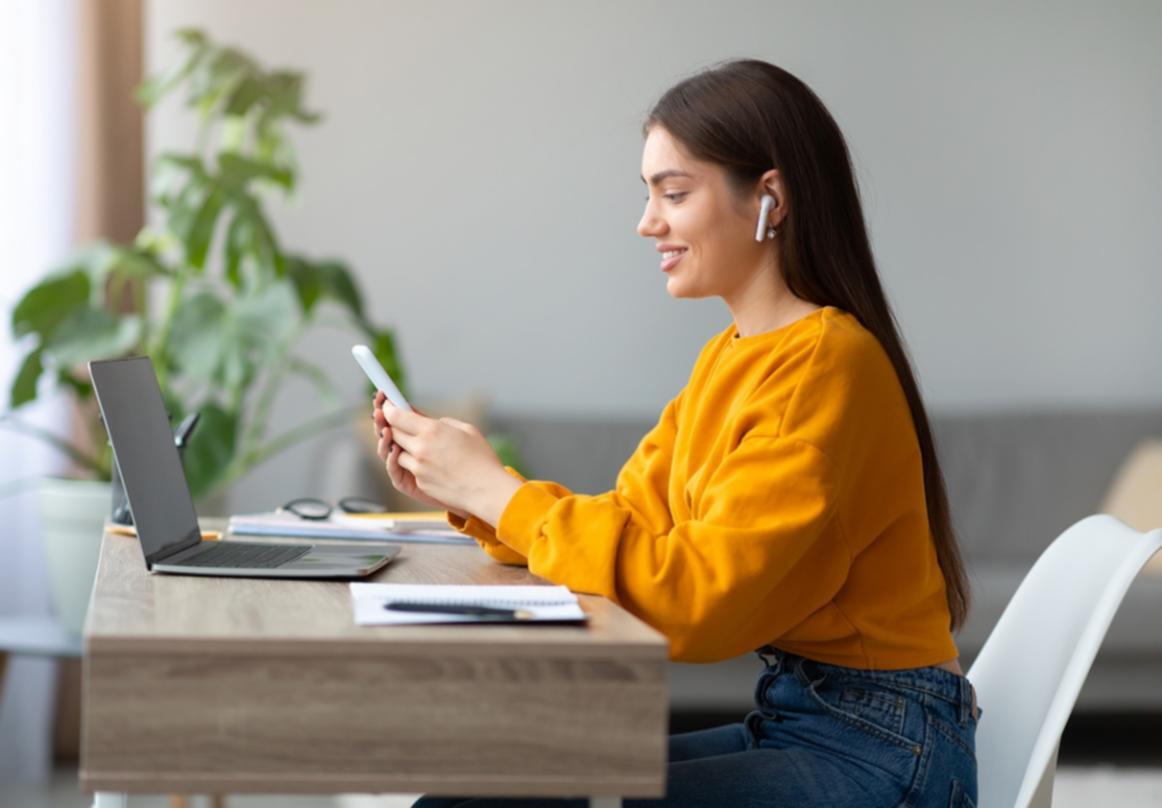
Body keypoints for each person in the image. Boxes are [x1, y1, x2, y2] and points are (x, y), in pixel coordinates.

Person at [372, 58, 980, 808]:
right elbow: (634, 522)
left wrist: (495, 491)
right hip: (810, 724)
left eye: (675, 192)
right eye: (649, 194)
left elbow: (693, 602)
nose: (647, 221)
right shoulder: (731, 359)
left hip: (885, 753)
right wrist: (479, 491)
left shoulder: (825, 364)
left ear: (770, 198)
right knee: (484, 793)